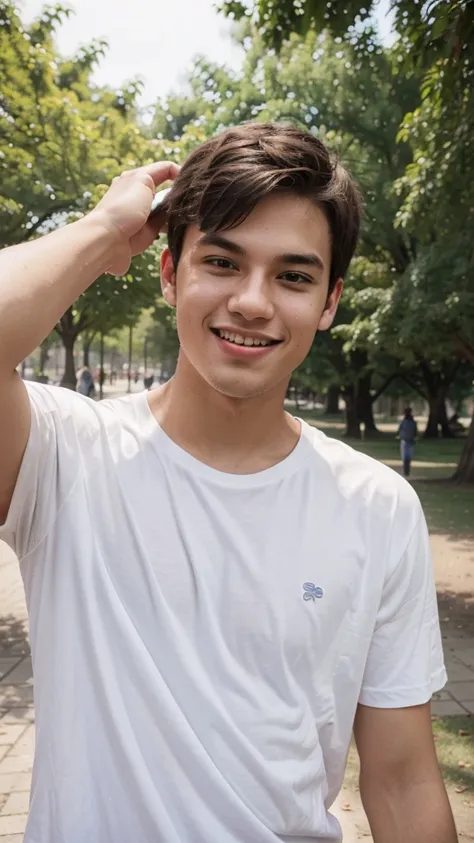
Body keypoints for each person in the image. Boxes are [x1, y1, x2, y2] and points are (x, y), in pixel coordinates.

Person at [0, 124, 456, 843]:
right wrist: (100, 231)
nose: (252, 300)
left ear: (330, 302)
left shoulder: (377, 506)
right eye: (221, 261)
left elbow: (401, 777)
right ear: (170, 273)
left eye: (294, 276)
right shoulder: (64, 454)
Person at [398, 406, 418, 478]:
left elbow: (400, 430)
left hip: (405, 441)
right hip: (410, 441)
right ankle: (407, 471)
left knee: (405, 458)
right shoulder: (413, 422)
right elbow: (415, 432)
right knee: (408, 458)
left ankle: (406, 472)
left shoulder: (404, 422)